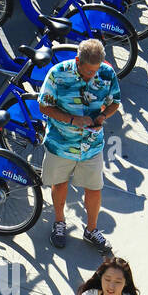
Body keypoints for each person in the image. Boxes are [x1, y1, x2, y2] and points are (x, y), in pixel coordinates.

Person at [38, 38, 122, 253]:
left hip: (92, 145)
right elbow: (44, 106)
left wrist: (103, 116)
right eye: (87, 72)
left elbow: (115, 102)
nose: (91, 75)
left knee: (94, 188)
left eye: (95, 71)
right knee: (60, 184)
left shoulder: (107, 73)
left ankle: (91, 229)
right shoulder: (58, 74)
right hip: (61, 144)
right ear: (77, 60)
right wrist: (72, 120)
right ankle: (59, 223)